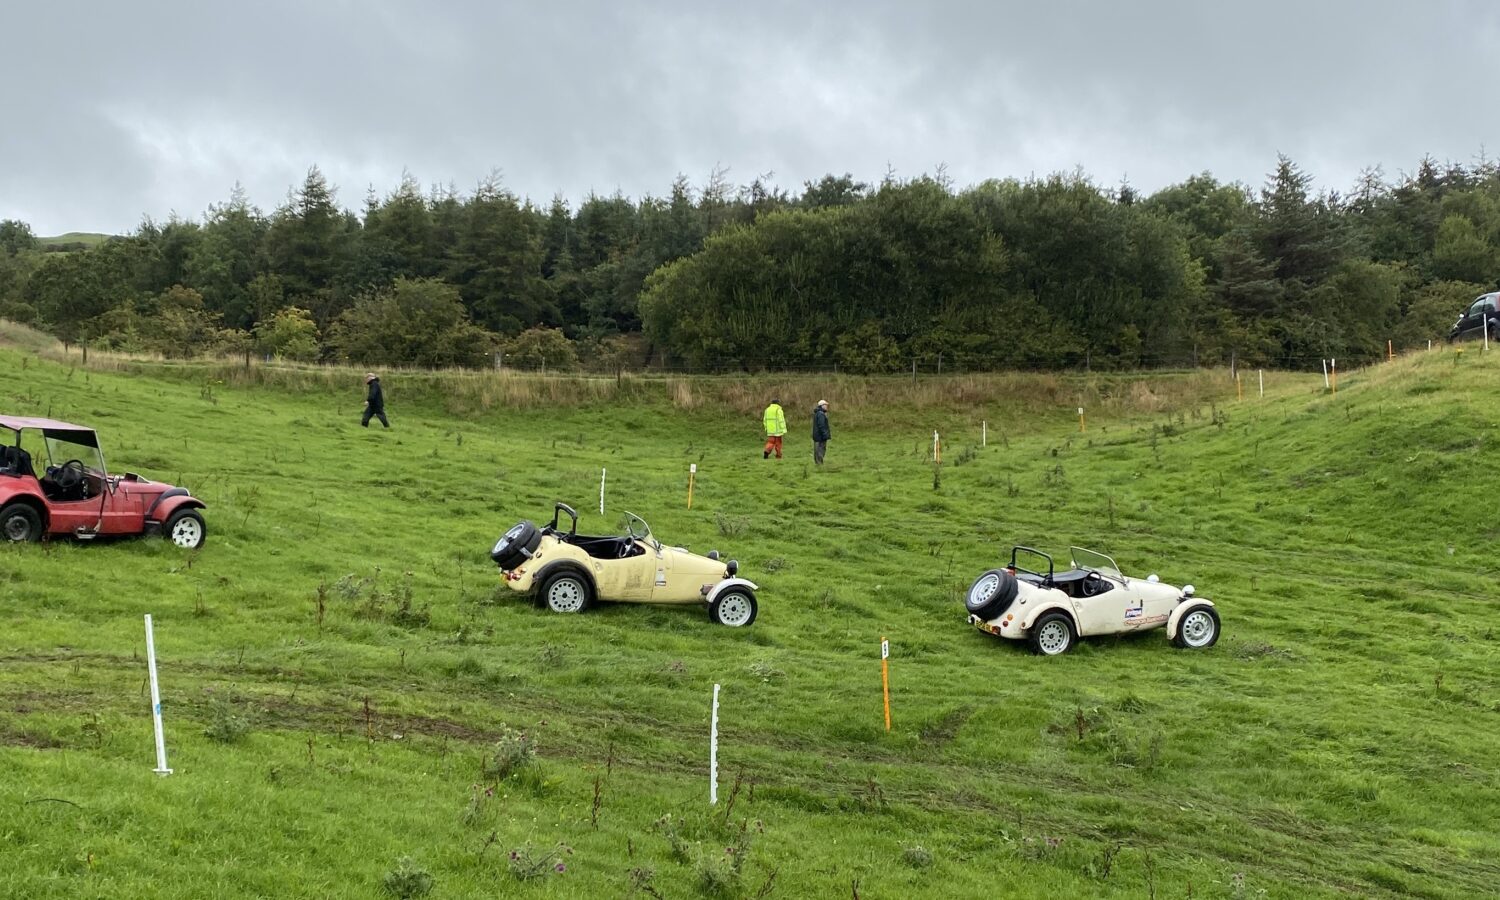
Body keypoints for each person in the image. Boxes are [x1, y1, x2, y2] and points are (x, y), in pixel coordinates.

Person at [811, 399, 830, 465]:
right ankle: (819, 463)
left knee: (817, 450)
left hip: (816, 435)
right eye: (825, 405)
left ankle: (818, 462)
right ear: (822, 406)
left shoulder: (817, 413)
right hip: (820, 436)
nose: (827, 406)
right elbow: (822, 426)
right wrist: (825, 434)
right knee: (821, 449)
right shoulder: (821, 414)